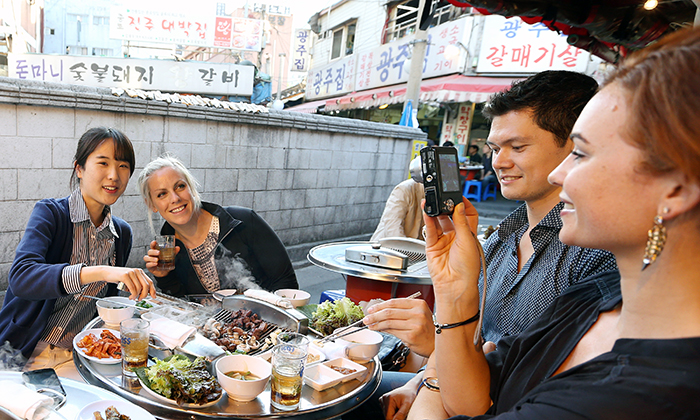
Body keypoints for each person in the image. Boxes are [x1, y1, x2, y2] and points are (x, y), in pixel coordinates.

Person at [408, 26, 700, 420]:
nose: (561, 174)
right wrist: (454, 296)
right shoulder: (594, 300)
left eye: (581, 153)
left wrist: (431, 381)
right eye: (495, 148)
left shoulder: (634, 391)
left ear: (676, 188)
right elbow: (475, 392)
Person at [355, 71, 617, 420]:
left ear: (575, 145)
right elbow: (475, 338)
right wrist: (422, 380)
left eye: (518, 147)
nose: (499, 162)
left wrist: (438, 349)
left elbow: (512, 381)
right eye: (495, 148)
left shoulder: (597, 255)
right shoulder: (496, 241)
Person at [0, 127, 156, 367]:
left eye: (123, 166)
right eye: (103, 163)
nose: (114, 175)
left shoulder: (122, 233)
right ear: (79, 169)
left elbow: (106, 306)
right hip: (23, 350)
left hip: (81, 355)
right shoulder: (51, 214)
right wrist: (102, 271)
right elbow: (21, 277)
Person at [138, 155, 298, 296]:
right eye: (162, 194)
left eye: (180, 186)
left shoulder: (244, 221)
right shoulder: (167, 248)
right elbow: (183, 307)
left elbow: (286, 283)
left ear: (191, 188)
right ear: (152, 204)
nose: (174, 198)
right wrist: (163, 277)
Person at [370, 157, 425, 241]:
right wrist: (407, 252)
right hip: (386, 248)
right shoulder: (404, 189)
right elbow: (393, 227)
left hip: (417, 250)